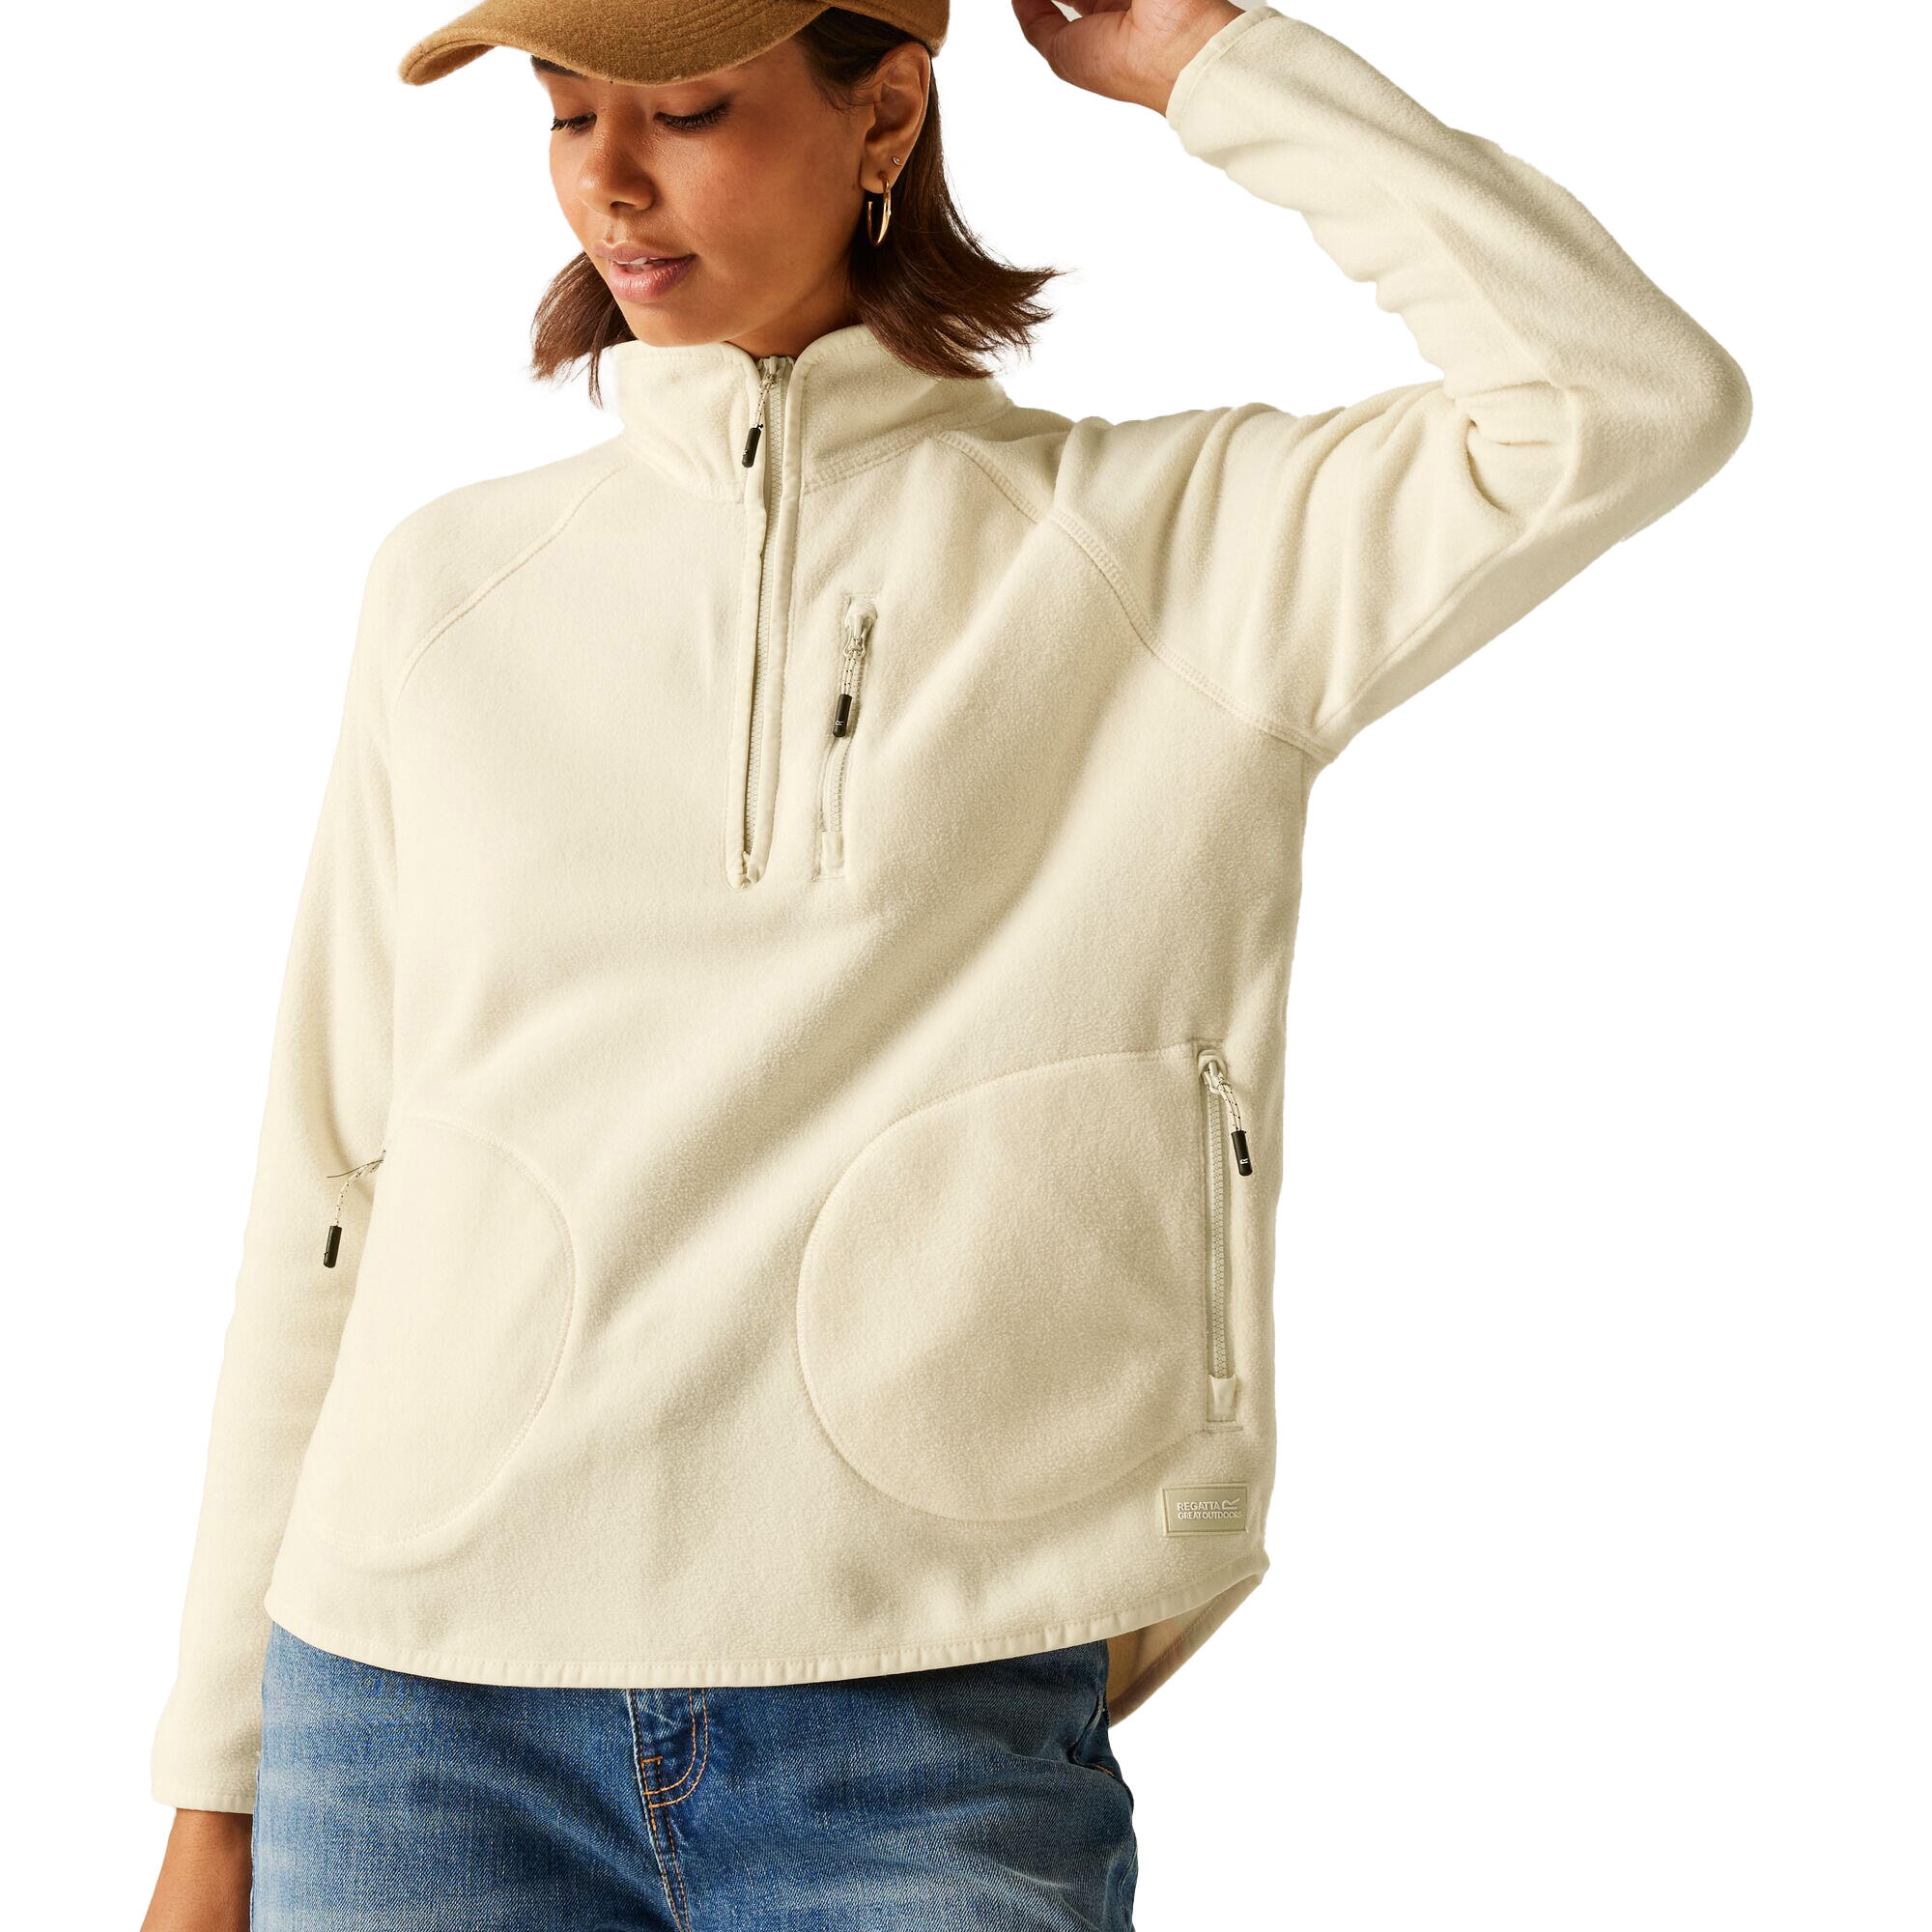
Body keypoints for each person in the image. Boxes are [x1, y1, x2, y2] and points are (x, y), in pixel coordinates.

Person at [141, 1, 1751, 1925]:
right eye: (567, 118)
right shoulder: (451, 585)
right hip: (405, 1711)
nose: (610, 183)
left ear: (886, 109)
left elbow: (1625, 397)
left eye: (687, 110)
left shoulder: (1171, 556)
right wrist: (217, 1783)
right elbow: (332, 1181)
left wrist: (1211, 65)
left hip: (917, 1702)